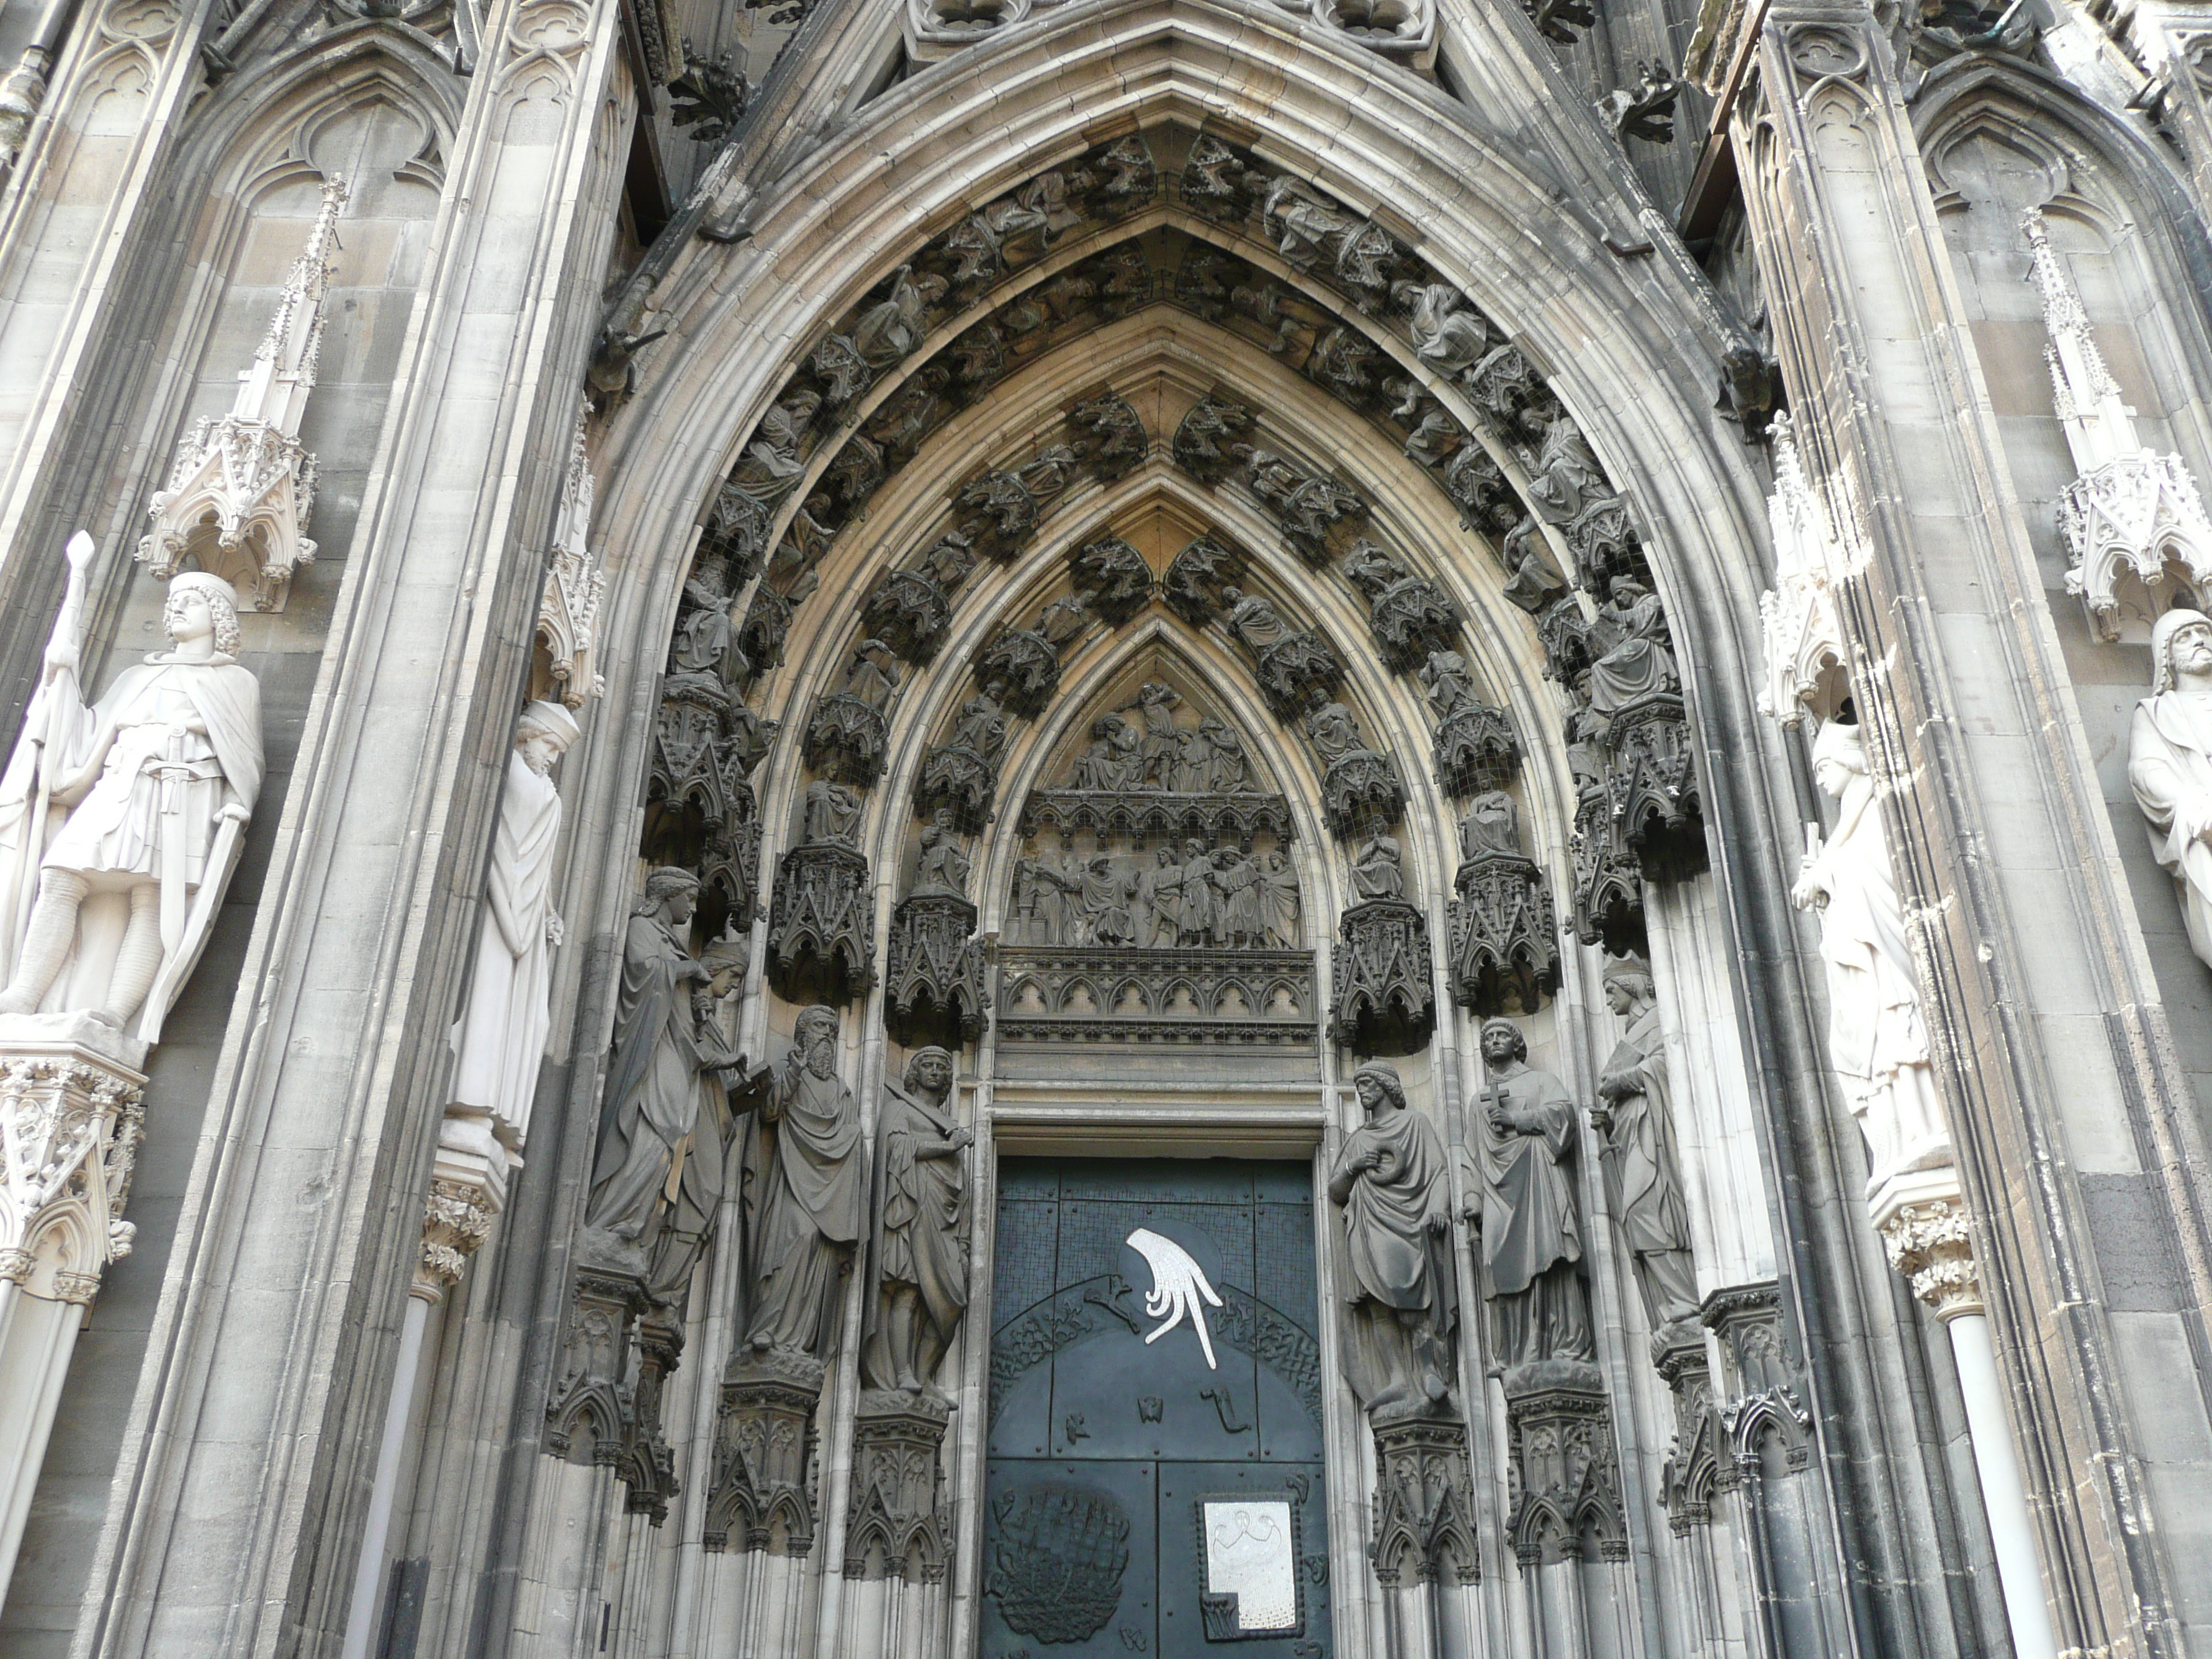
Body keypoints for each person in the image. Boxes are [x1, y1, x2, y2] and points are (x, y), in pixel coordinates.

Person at [0, 569, 262, 1038]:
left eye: (191, 602)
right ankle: (23, 992)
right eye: (173, 601)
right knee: (60, 876)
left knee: (155, 898)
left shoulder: (235, 683)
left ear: (218, 616)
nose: (176, 608)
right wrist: (59, 684)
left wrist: (233, 805)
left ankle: (118, 1012)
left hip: (181, 795)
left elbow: (244, 758)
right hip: (118, 787)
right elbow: (86, 736)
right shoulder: (137, 675)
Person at [1792, 719, 1951, 1188]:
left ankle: (1927, 1129)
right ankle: (1901, 1139)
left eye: (1824, 765)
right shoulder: (1848, 828)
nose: (1819, 777)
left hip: (1888, 970)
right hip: (1865, 975)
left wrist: (1829, 873)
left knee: (1898, 1038)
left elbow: (1885, 879)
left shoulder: (1881, 812)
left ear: (1847, 760)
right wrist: (1825, 886)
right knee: (1870, 1049)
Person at [446, 701, 583, 1164]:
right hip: (496, 908)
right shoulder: (508, 771)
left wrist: (545, 910)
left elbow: (534, 861)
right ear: (525, 735)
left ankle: (495, 1111)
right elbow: (502, 840)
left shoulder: (543, 787)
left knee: (532, 1016)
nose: (551, 758)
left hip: (522, 910)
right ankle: (469, 1099)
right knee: (486, 995)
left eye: (558, 752)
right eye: (549, 745)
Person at [585, 869, 743, 1244]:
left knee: (666, 1139)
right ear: (667, 895)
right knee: (649, 1134)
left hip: (675, 1059)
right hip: (649, 1059)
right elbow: (642, 973)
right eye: (688, 899)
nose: (692, 907)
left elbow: (686, 1033)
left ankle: (633, 1221)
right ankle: (609, 1217)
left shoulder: (669, 941)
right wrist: (688, 969)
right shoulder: (642, 928)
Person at [1327, 1061, 1457, 1416]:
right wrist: (1354, 1167)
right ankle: (1397, 1378)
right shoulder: (1359, 1140)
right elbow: (1336, 1191)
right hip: (1369, 1226)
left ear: (1385, 1086)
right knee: (1377, 1304)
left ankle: (1428, 1370)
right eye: (1359, 1086)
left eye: (1367, 1084)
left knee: (1410, 1299)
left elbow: (1439, 1172)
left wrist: (1439, 1209)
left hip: (1407, 1222)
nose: (1362, 1092)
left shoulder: (1415, 1124)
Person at [742, 1004, 868, 1358]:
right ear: (801, 1036)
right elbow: (768, 1112)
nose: (826, 1034)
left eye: (831, 1028)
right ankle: (766, 1326)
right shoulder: (790, 1075)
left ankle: (801, 1339)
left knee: (821, 1255)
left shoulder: (842, 1091)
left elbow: (851, 1134)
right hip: (793, 1183)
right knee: (797, 1236)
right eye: (818, 1027)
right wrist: (793, 1075)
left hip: (832, 1191)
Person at [1468, 1017, 1593, 1372]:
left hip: (1538, 1178)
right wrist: (1471, 1198)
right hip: (1496, 1193)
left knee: (1548, 1257)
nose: (1494, 1041)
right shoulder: (1478, 1102)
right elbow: (1470, 1155)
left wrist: (1517, 1122)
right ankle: (1516, 1352)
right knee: (1500, 1262)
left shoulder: (1541, 1082)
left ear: (1517, 1043)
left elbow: (1563, 1116)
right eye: (1488, 1037)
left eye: (1502, 1035)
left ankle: (1563, 1343)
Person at [1592, 957, 1701, 1334]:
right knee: (1638, 1218)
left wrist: (1623, 1081)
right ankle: (1678, 1299)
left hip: (1656, 1135)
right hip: (1634, 1132)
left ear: (1633, 985)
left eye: (1611, 990)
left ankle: (1689, 1296)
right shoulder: (1635, 1029)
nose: (1607, 1000)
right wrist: (1609, 1120)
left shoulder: (1660, 1019)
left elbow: (1669, 1064)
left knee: (1646, 1212)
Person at [863, 1047, 971, 1397]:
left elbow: (964, 1187)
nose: (936, 1071)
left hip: (944, 1219)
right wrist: (946, 1147)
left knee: (951, 1300)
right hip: (910, 1211)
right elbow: (896, 1148)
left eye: (943, 1066)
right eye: (928, 1064)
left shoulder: (949, 1125)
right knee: (907, 1293)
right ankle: (903, 1374)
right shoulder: (899, 1108)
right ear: (914, 1072)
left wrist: (965, 1240)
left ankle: (925, 1376)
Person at [2131, 608, 2212, 970]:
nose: (2199, 640)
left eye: (2203, 632)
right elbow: (2147, 769)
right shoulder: (2157, 712)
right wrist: (2192, 802)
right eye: (2186, 636)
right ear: (2167, 656)